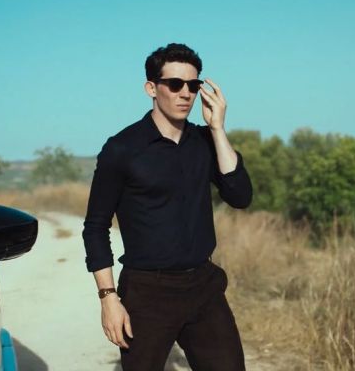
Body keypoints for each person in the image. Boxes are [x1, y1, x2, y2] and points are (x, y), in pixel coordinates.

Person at [82, 43, 253, 371]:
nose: (185, 93)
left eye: (193, 85)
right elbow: (95, 226)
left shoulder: (205, 142)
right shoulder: (122, 149)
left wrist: (217, 128)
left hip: (203, 287)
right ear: (151, 88)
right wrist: (108, 298)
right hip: (147, 292)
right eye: (175, 84)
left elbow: (240, 196)